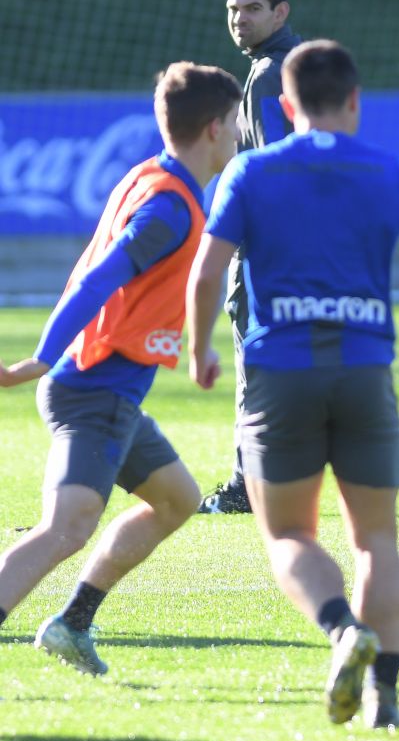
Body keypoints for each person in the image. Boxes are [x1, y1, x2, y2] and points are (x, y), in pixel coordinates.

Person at [186, 40, 399, 729]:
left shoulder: (249, 172)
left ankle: (340, 629)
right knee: (376, 544)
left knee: (291, 537)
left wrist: (200, 349)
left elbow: (207, 273)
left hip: (279, 378)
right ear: (356, 101)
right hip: (363, 374)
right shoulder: (392, 171)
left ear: (283, 106)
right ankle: (384, 703)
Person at [0, 63, 241, 674]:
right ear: (214, 127)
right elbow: (100, 278)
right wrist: (42, 356)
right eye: (236, 122)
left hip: (113, 393)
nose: (240, 133)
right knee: (65, 528)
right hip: (94, 388)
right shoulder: (170, 209)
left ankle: (72, 623)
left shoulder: (154, 177)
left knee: (178, 500)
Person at [199, 0, 304, 516]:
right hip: (309, 246)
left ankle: (246, 485)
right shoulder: (308, 64)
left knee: (255, 361)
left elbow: (272, 163)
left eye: (253, 8)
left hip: (267, 248)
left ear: (280, 11)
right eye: (233, 10)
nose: (239, 20)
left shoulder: (268, 73)